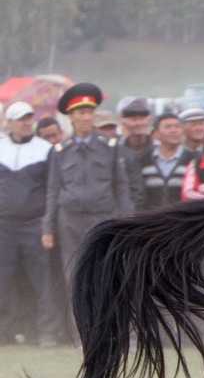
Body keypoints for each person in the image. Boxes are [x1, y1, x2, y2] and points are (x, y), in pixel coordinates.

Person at [41, 82, 134, 282]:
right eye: (81, 112)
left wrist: (127, 221)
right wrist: (48, 227)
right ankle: (77, 315)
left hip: (102, 218)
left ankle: (103, 314)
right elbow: (53, 190)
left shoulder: (109, 147)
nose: (86, 117)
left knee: (103, 272)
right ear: (71, 116)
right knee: (73, 274)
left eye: (89, 112)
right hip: (70, 222)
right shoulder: (60, 151)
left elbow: (121, 186)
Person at [0, 102, 60, 346]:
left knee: (41, 280)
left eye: (29, 118)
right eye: (20, 119)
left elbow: (52, 190)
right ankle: (4, 331)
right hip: (4, 225)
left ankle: (46, 331)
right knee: (3, 279)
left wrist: (48, 225)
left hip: (35, 224)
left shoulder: (45, 149)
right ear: (10, 122)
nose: (26, 123)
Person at [138, 112, 197, 210]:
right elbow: (139, 194)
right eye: (168, 127)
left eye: (177, 127)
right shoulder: (144, 160)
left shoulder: (193, 160)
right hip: (152, 220)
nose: (173, 130)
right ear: (155, 134)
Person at [116, 96, 154, 211]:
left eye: (142, 118)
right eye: (134, 119)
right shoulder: (117, 152)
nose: (139, 123)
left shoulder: (159, 150)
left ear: (148, 121)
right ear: (125, 123)